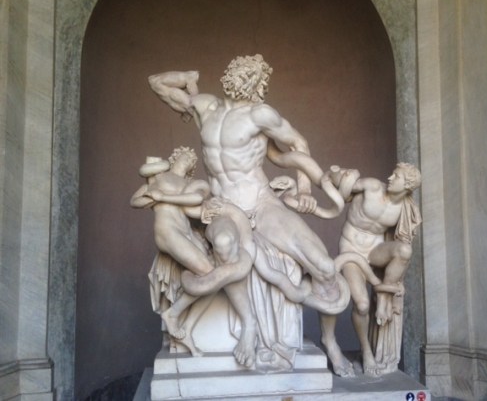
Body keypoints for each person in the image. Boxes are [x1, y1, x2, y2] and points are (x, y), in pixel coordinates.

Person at [148, 54, 348, 309]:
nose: (242, 76)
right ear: (229, 73)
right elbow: (157, 83)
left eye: (250, 73)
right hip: (224, 207)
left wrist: (305, 189)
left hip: (262, 204)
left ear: (258, 83)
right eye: (239, 70)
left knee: (325, 267)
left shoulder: (260, 115)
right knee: (223, 247)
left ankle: (318, 313)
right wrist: (187, 78)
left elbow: (298, 143)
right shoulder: (205, 107)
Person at [130, 147, 256, 364]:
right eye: (185, 155)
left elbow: (195, 199)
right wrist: (153, 198)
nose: (189, 158)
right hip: (167, 231)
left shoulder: (193, 184)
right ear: (174, 157)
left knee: (211, 276)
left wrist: (163, 197)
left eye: (192, 159)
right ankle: (173, 314)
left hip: (186, 232)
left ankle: (185, 328)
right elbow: (135, 201)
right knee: (209, 273)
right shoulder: (158, 178)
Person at [320, 163, 421, 377]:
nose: (390, 178)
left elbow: (402, 242)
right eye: (392, 174)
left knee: (404, 250)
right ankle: (366, 350)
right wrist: (339, 174)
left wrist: (396, 284)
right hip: (351, 250)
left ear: (408, 185)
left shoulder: (404, 209)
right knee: (362, 305)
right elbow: (342, 186)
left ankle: (384, 295)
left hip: (375, 251)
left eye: (397, 176)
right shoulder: (372, 186)